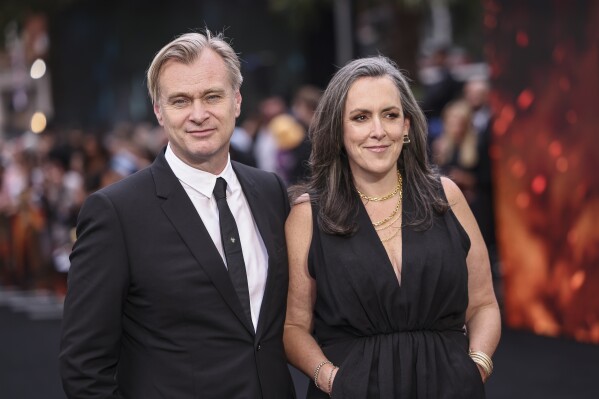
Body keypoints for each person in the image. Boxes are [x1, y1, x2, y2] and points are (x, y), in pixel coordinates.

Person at [59, 31, 296, 399]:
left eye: (212, 96)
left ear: (236, 101)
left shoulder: (270, 192)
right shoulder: (115, 214)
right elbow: (84, 366)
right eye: (181, 100)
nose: (198, 114)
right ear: (158, 111)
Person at [283, 56, 501, 398]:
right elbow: (294, 327)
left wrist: (476, 367)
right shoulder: (309, 215)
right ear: (338, 131)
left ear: (407, 126)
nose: (378, 131)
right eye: (360, 117)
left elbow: (484, 304)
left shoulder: (446, 197)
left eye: (390, 115)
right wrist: (333, 381)